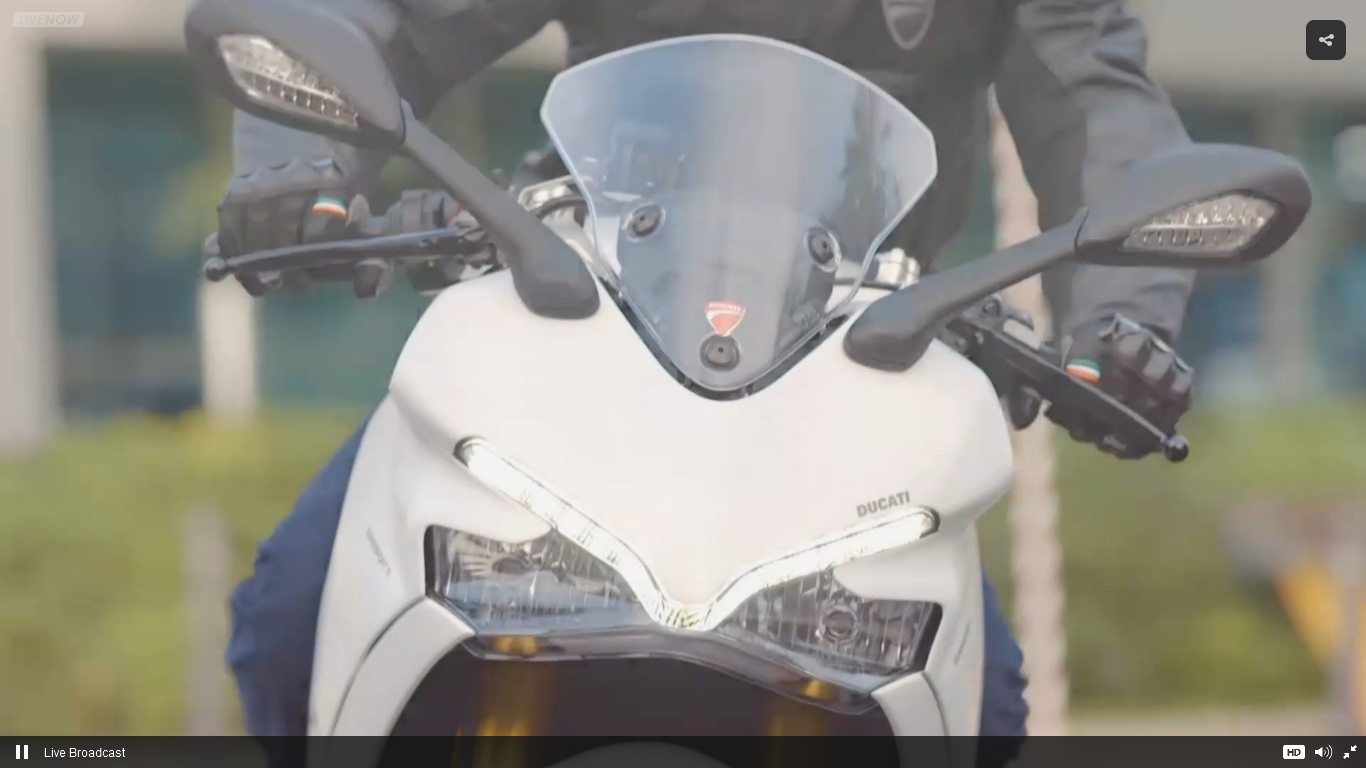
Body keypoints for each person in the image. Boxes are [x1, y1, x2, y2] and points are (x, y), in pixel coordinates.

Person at [222, 0, 1195, 745]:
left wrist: (1122, 319)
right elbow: (386, 16)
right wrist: (297, 163)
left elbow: (1096, 106)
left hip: (858, 351)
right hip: (584, 304)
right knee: (294, 613)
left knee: (981, 708)